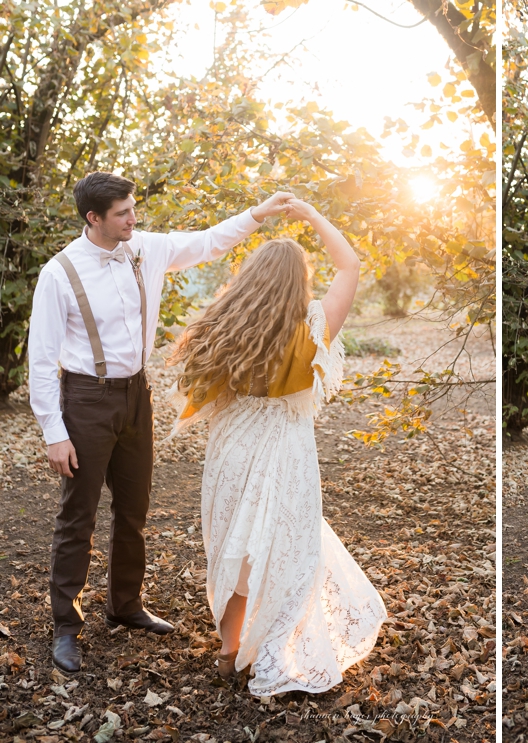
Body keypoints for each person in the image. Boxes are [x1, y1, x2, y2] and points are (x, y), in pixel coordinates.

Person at [28, 171, 293, 673]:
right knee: (78, 515)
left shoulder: (145, 248)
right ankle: (66, 626)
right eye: (123, 213)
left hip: (137, 395)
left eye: (133, 208)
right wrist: (54, 433)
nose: (134, 218)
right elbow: (40, 361)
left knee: (134, 509)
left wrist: (258, 214)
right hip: (85, 400)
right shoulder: (58, 274)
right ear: (94, 218)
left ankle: (125, 605)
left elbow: (209, 242)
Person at [168, 198, 383, 694]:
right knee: (287, 546)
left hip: (232, 447)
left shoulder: (224, 324)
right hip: (285, 448)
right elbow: (350, 265)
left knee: (235, 548)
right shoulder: (312, 326)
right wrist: (313, 216)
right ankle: (272, 650)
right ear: (299, 282)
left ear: (250, 277)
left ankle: (230, 651)